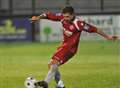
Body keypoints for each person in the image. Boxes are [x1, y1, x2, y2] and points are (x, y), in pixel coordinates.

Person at [30, 6, 118, 88]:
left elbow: (95, 29)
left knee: (54, 63)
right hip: (64, 46)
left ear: (73, 15)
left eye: (68, 16)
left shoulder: (79, 24)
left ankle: (46, 82)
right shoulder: (62, 18)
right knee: (51, 65)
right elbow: (48, 15)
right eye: (64, 16)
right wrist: (38, 18)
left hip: (70, 49)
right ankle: (60, 85)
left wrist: (108, 37)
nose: (65, 18)